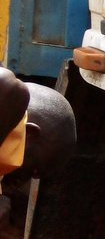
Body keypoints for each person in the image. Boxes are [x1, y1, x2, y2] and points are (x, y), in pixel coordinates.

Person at [0, 68, 76, 222]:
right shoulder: (10, 90)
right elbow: (8, 85)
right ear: (29, 133)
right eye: (34, 168)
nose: (20, 182)